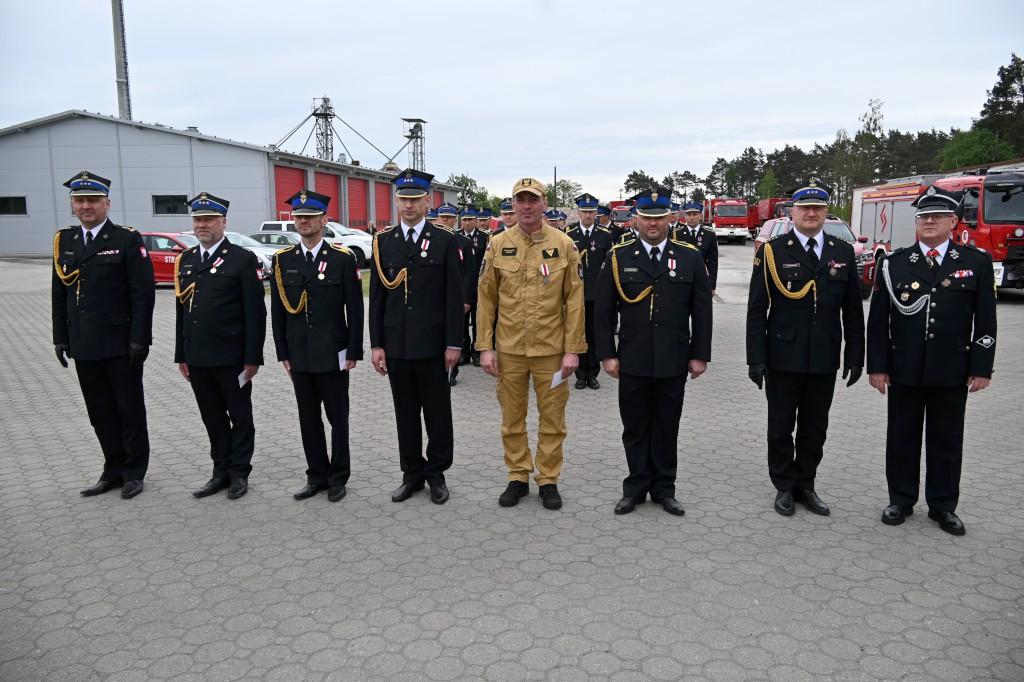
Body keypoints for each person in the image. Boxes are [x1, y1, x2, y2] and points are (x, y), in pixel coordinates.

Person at [867, 186, 996, 536]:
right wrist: (877, 366)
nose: (929, 221)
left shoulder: (975, 263)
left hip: (951, 368)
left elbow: (986, 320)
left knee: (947, 440)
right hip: (904, 367)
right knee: (901, 437)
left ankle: (943, 506)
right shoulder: (894, 264)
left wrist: (981, 367)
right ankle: (901, 499)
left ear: (953, 222)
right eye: (923, 216)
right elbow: (878, 322)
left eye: (937, 216)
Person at [745, 179, 864, 517]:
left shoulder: (842, 252)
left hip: (824, 356)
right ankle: (784, 485)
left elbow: (853, 310)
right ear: (792, 213)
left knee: (815, 427)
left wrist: (855, 356)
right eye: (805, 208)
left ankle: (806, 484)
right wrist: (755, 359)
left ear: (826, 212)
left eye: (818, 209)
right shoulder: (772, 251)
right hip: (782, 356)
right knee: (780, 426)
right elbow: (757, 310)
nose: (812, 214)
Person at [595, 188, 713, 515]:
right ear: (636, 219)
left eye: (659, 218)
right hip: (632, 358)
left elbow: (702, 311)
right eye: (646, 217)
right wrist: (607, 354)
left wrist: (700, 354)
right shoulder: (618, 256)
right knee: (634, 428)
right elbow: (603, 312)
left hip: (673, 357)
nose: (653, 224)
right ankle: (635, 488)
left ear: (670, 219)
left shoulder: (689, 256)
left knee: (666, 427)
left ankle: (664, 489)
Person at [476, 177, 586, 510]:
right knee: (512, 418)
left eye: (532, 200)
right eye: (520, 200)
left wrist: (573, 350)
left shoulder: (564, 245)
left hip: (551, 351)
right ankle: (518, 476)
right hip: (509, 349)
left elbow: (575, 301)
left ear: (544, 204)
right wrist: (485, 347)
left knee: (553, 419)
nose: (526, 206)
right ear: (513, 205)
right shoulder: (497, 244)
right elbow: (486, 299)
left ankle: (548, 479)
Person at [52, 171, 155, 499]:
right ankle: (113, 468)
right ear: (73, 205)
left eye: (93, 201)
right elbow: (59, 294)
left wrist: (140, 339)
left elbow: (142, 294)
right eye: (80, 201)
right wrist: (60, 337)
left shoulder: (126, 239)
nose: (86, 206)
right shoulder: (64, 241)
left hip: (120, 344)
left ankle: (134, 471)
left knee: (129, 410)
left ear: (107, 203)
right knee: (99, 412)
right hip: (84, 343)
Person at [369, 169, 463, 505]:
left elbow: (454, 296)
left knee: (438, 415)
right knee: (405, 415)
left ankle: (436, 474)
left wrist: (454, 342)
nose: (408, 205)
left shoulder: (444, 241)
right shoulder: (383, 242)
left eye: (415, 199)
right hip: (397, 345)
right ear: (396, 202)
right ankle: (411, 475)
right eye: (403, 199)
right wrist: (376, 344)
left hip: (433, 345)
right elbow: (377, 298)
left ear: (427, 201)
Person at [270, 190, 363, 503]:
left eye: (310, 217)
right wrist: (282, 352)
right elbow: (278, 312)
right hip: (299, 353)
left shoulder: (342, 259)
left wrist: (353, 350)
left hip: (333, 352)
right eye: (298, 217)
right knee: (308, 419)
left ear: (324, 220)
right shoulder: (283, 260)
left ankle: (338, 477)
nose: (303, 222)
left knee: (338, 418)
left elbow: (355, 309)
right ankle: (316, 475)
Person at [175, 192, 266, 500]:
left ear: (223, 222)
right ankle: (220, 471)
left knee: (240, 417)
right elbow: (182, 311)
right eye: (197, 220)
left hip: (232, 357)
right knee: (212, 417)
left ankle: (239, 473)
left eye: (208, 219)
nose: (202, 225)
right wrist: (181, 354)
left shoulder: (241, 259)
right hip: (198, 357)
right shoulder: (187, 260)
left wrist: (252, 357)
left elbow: (255, 313)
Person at [566, 192, 614, 390]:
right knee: (578, 334)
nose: (587, 215)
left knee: (594, 335)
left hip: (597, 293)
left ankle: (593, 373)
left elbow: (610, 266)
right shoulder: (569, 235)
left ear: (596, 213)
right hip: (576, 294)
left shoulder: (604, 235)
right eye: (584, 211)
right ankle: (580, 374)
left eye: (591, 212)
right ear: (578, 212)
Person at [459, 205, 490, 367]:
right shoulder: (456, 237)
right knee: (462, 322)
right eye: (464, 219)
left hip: (479, 285)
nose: (467, 222)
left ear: (476, 220)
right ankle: (464, 352)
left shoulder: (485, 237)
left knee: (478, 321)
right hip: (462, 286)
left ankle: (477, 351)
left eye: (470, 219)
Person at [672, 201, 719, 294]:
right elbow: (672, 260)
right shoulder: (676, 233)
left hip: (702, 279)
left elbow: (713, 263)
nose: (691, 217)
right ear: (685, 216)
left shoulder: (709, 234)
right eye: (689, 214)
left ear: (700, 216)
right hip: (681, 279)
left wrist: (712, 286)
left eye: (694, 214)